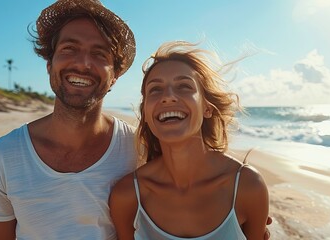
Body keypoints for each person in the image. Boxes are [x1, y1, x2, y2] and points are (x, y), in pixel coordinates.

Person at [0, 0, 138, 239]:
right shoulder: (6, 154)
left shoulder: (138, 148)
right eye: (69, 49)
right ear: (49, 64)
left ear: (114, 76)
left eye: (99, 53)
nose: (82, 63)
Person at [109, 41, 270, 239]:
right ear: (146, 113)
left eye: (184, 86)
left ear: (207, 108)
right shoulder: (127, 196)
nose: (168, 97)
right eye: (155, 89)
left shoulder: (247, 186)